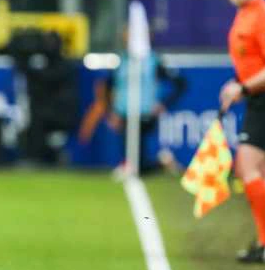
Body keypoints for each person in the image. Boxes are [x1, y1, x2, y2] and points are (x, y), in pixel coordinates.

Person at [78, 25, 186, 175]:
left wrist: (164, 104)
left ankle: (159, 162)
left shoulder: (152, 61)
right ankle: (158, 162)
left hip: (145, 115)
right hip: (124, 114)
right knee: (133, 159)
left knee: (136, 161)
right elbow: (108, 86)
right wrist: (111, 111)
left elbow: (180, 84)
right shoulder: (122, 61)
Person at [219, 0, 265, 263]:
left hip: (263, 100)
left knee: (246, 167)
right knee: (260, 172)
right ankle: (264, 242)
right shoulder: (245, 13)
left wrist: (244, 87)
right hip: (257, 98)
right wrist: (238, 83)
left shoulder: (261, 15)